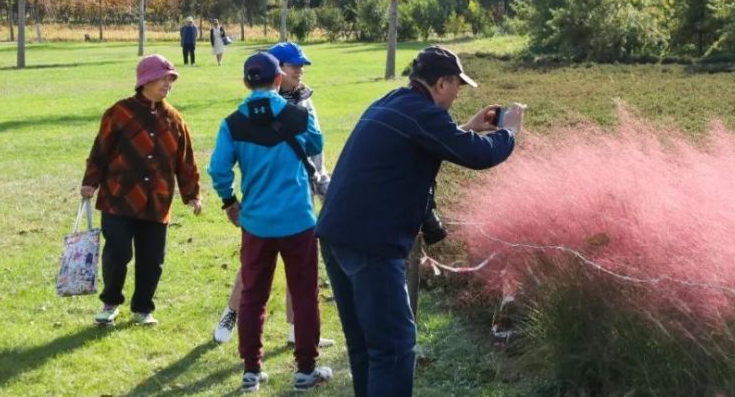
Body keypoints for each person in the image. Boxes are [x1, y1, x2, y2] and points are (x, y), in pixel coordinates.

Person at [316, 45, 524, 397]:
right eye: (458, 85)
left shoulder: (393, 102)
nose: (459, 93)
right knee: (394, 348)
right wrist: (510, 133)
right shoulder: (424, 117)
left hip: (336, 235)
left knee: (366, 346)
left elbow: (424, 142)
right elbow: (477, 154)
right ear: (442, 83)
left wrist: (466, 127)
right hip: (372, 244)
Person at [208, 51, 332, 393]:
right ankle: (306, 369)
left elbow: (219, 169)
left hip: (257, 223)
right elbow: (316, 143)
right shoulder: (297, 115)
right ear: (279, 79)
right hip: (297, 220)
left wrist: (230, 201)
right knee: (305, 294)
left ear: (247, 81)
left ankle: (252, 369)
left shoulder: (232, 122)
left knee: (253, 295)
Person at [80, 54, 203, 326]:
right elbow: (100, 149)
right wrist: (91, 181)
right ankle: (110, 302)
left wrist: (192, 194)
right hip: (118, 198)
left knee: (152, 259)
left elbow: (185, 160)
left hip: (157, 201)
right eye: (162, 78)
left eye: (170, 79)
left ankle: (143, 309)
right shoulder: (119, 112)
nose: (167, 84)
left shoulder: (174, 119)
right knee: (118, 253)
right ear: (145, 81)